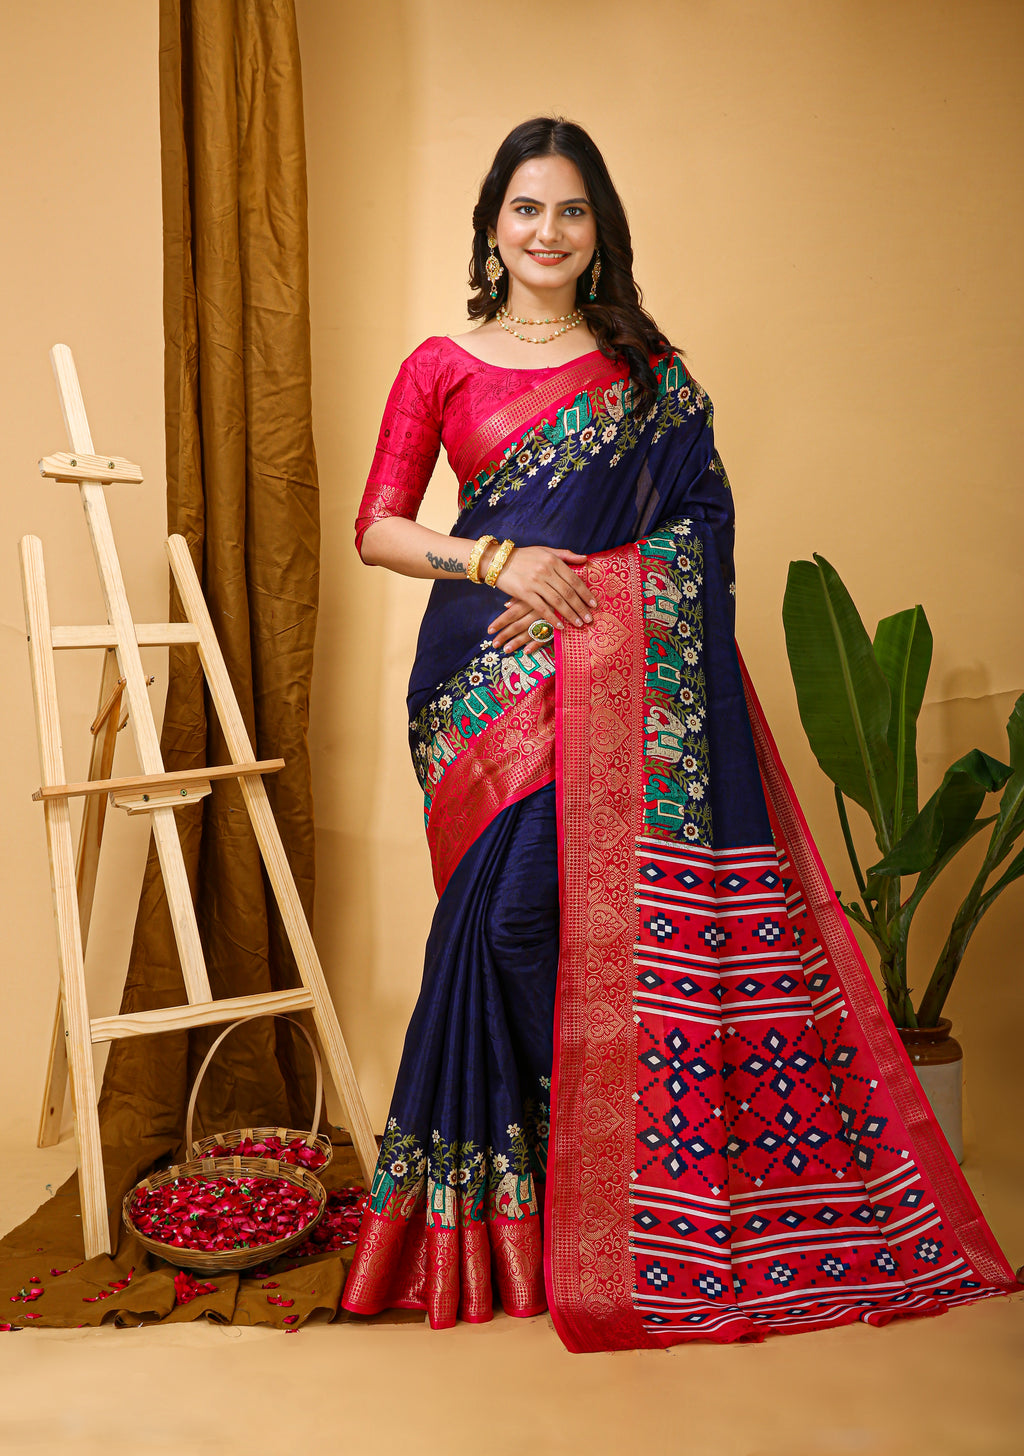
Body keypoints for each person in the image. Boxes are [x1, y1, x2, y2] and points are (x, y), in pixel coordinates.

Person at [340, 117, 1017, 1351]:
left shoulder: (646, 372)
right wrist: (495, 559)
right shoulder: (439, 363)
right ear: (493, 221)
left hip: (604, 679)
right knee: (495, 929)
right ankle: (534, 1205)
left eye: (572, 212)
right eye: (526, 208)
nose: (547, 232)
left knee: (538, 921)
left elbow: (700, 528)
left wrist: (592, 603)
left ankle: (601, 1193)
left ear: (601, 234)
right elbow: (379, 528)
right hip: (477, 682)